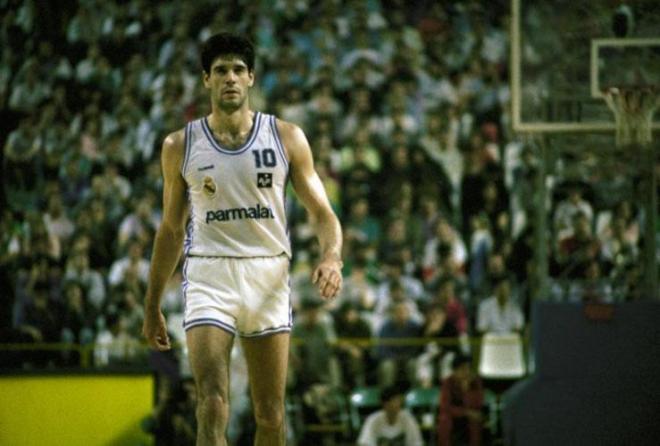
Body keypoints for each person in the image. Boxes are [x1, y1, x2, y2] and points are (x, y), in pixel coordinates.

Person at [141, 32, 343, 446]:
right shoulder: (179, 145)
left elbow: (324, 213)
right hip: (209, 273)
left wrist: (332, 257)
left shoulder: (286, 137)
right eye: (220, 71)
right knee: (212, 403)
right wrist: (152, 304)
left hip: (268, 272)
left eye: (237, 70)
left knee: (270, 414)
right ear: (206, 80)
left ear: (251, 78)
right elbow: (171, 230)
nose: (229, 78)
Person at [437, 355, 484, 446]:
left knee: (476, 420)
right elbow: (445, 407)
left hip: (471, 420)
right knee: (445, 419)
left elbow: (478, 403)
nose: (466, 372)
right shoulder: (448, 383)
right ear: (455, 371)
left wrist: (466, 390)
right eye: (463, 369)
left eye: (468, 368)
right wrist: (466, 412)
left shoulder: (475, 382)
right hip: (452, 419)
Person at [357, 385, 423, 446]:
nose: (397, 404)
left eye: (398, 400)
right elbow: (364, 442)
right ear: (385, 404)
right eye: (394, 401)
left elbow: (416, 442)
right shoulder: (373, 420)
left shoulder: (408, 418)